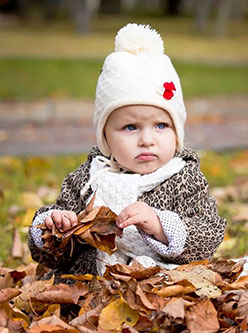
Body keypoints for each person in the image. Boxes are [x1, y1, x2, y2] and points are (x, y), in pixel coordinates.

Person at [28, 23, 227, 279]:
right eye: (130, 127)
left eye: (161, 125)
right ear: (106, 138)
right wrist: (55, 227)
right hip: (89, 285)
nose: (146, 139)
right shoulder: (88, 179)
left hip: (160, 282)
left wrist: (160, 225)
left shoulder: (184, 178)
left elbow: (208, 234)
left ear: (177, 132)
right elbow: (47, 256)